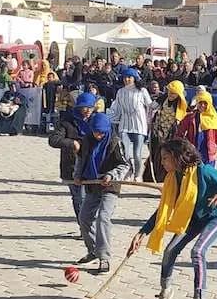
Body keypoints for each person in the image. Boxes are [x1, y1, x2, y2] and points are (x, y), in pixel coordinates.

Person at [127, 138, 217, 299]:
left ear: (178, 158)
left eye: (165, 158)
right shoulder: (173, 178)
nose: (162, 163)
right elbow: (162, 210)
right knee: (170, 250)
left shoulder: (202, 171)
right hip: (192, 220)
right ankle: (166, 290)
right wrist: (142, 232)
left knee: (198, 252)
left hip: (215, 218)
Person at [74, 113, 131, 274]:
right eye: (95, 132)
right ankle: (93, 250)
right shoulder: (86, 141)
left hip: (110, 187)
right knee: (84, 217)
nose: (98, 135)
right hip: (92, 185)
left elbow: (125, 165)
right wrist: (77, 176)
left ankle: (104, 257)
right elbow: (81, 160)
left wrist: (111, 175)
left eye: (101, 132)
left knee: (103, 218)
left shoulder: (115, 142)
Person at [49, 92, 98, 220]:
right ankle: (84, 226)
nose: (87, 110)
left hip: (93, 166)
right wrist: (72, 143)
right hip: (72, 165)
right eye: (84, 107)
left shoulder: (98, 121)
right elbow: (53, 140)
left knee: (90, 198)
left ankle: (89, 225)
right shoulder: (67, 122)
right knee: (78, 198)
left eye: (90, 107)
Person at [109, 67, 154, 180]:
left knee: (137, 154)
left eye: (129, 77)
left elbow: (150, 105)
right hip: (125, 125)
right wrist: (110, 119)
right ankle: (129, 170)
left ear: (134, 78)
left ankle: (137, 175)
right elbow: (117, 109)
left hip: (139, 125)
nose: (127, 79)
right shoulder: (120, 92)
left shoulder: (142, 91)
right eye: (125, 77)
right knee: (125, 153)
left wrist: (160, 101)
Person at [175, 91, 217, 166]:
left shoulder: (213, 119)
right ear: (197, 103)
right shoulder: (190, 118)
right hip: (192, 154)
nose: (202, 105)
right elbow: (179, 133)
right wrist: (185, 146)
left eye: (205, 103)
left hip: (208, 155)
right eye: (200, 103)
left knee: (207, 176)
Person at [145, 81, 187, 182]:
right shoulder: (162, 98)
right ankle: (153, 178)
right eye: (170, 92)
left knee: (168, 155)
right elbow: (151, 107)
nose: (171, 95)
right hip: (158, 132)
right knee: (156, 153)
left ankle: (168, 179)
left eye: (174, 93)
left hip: (171, 134)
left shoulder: (181, 103)